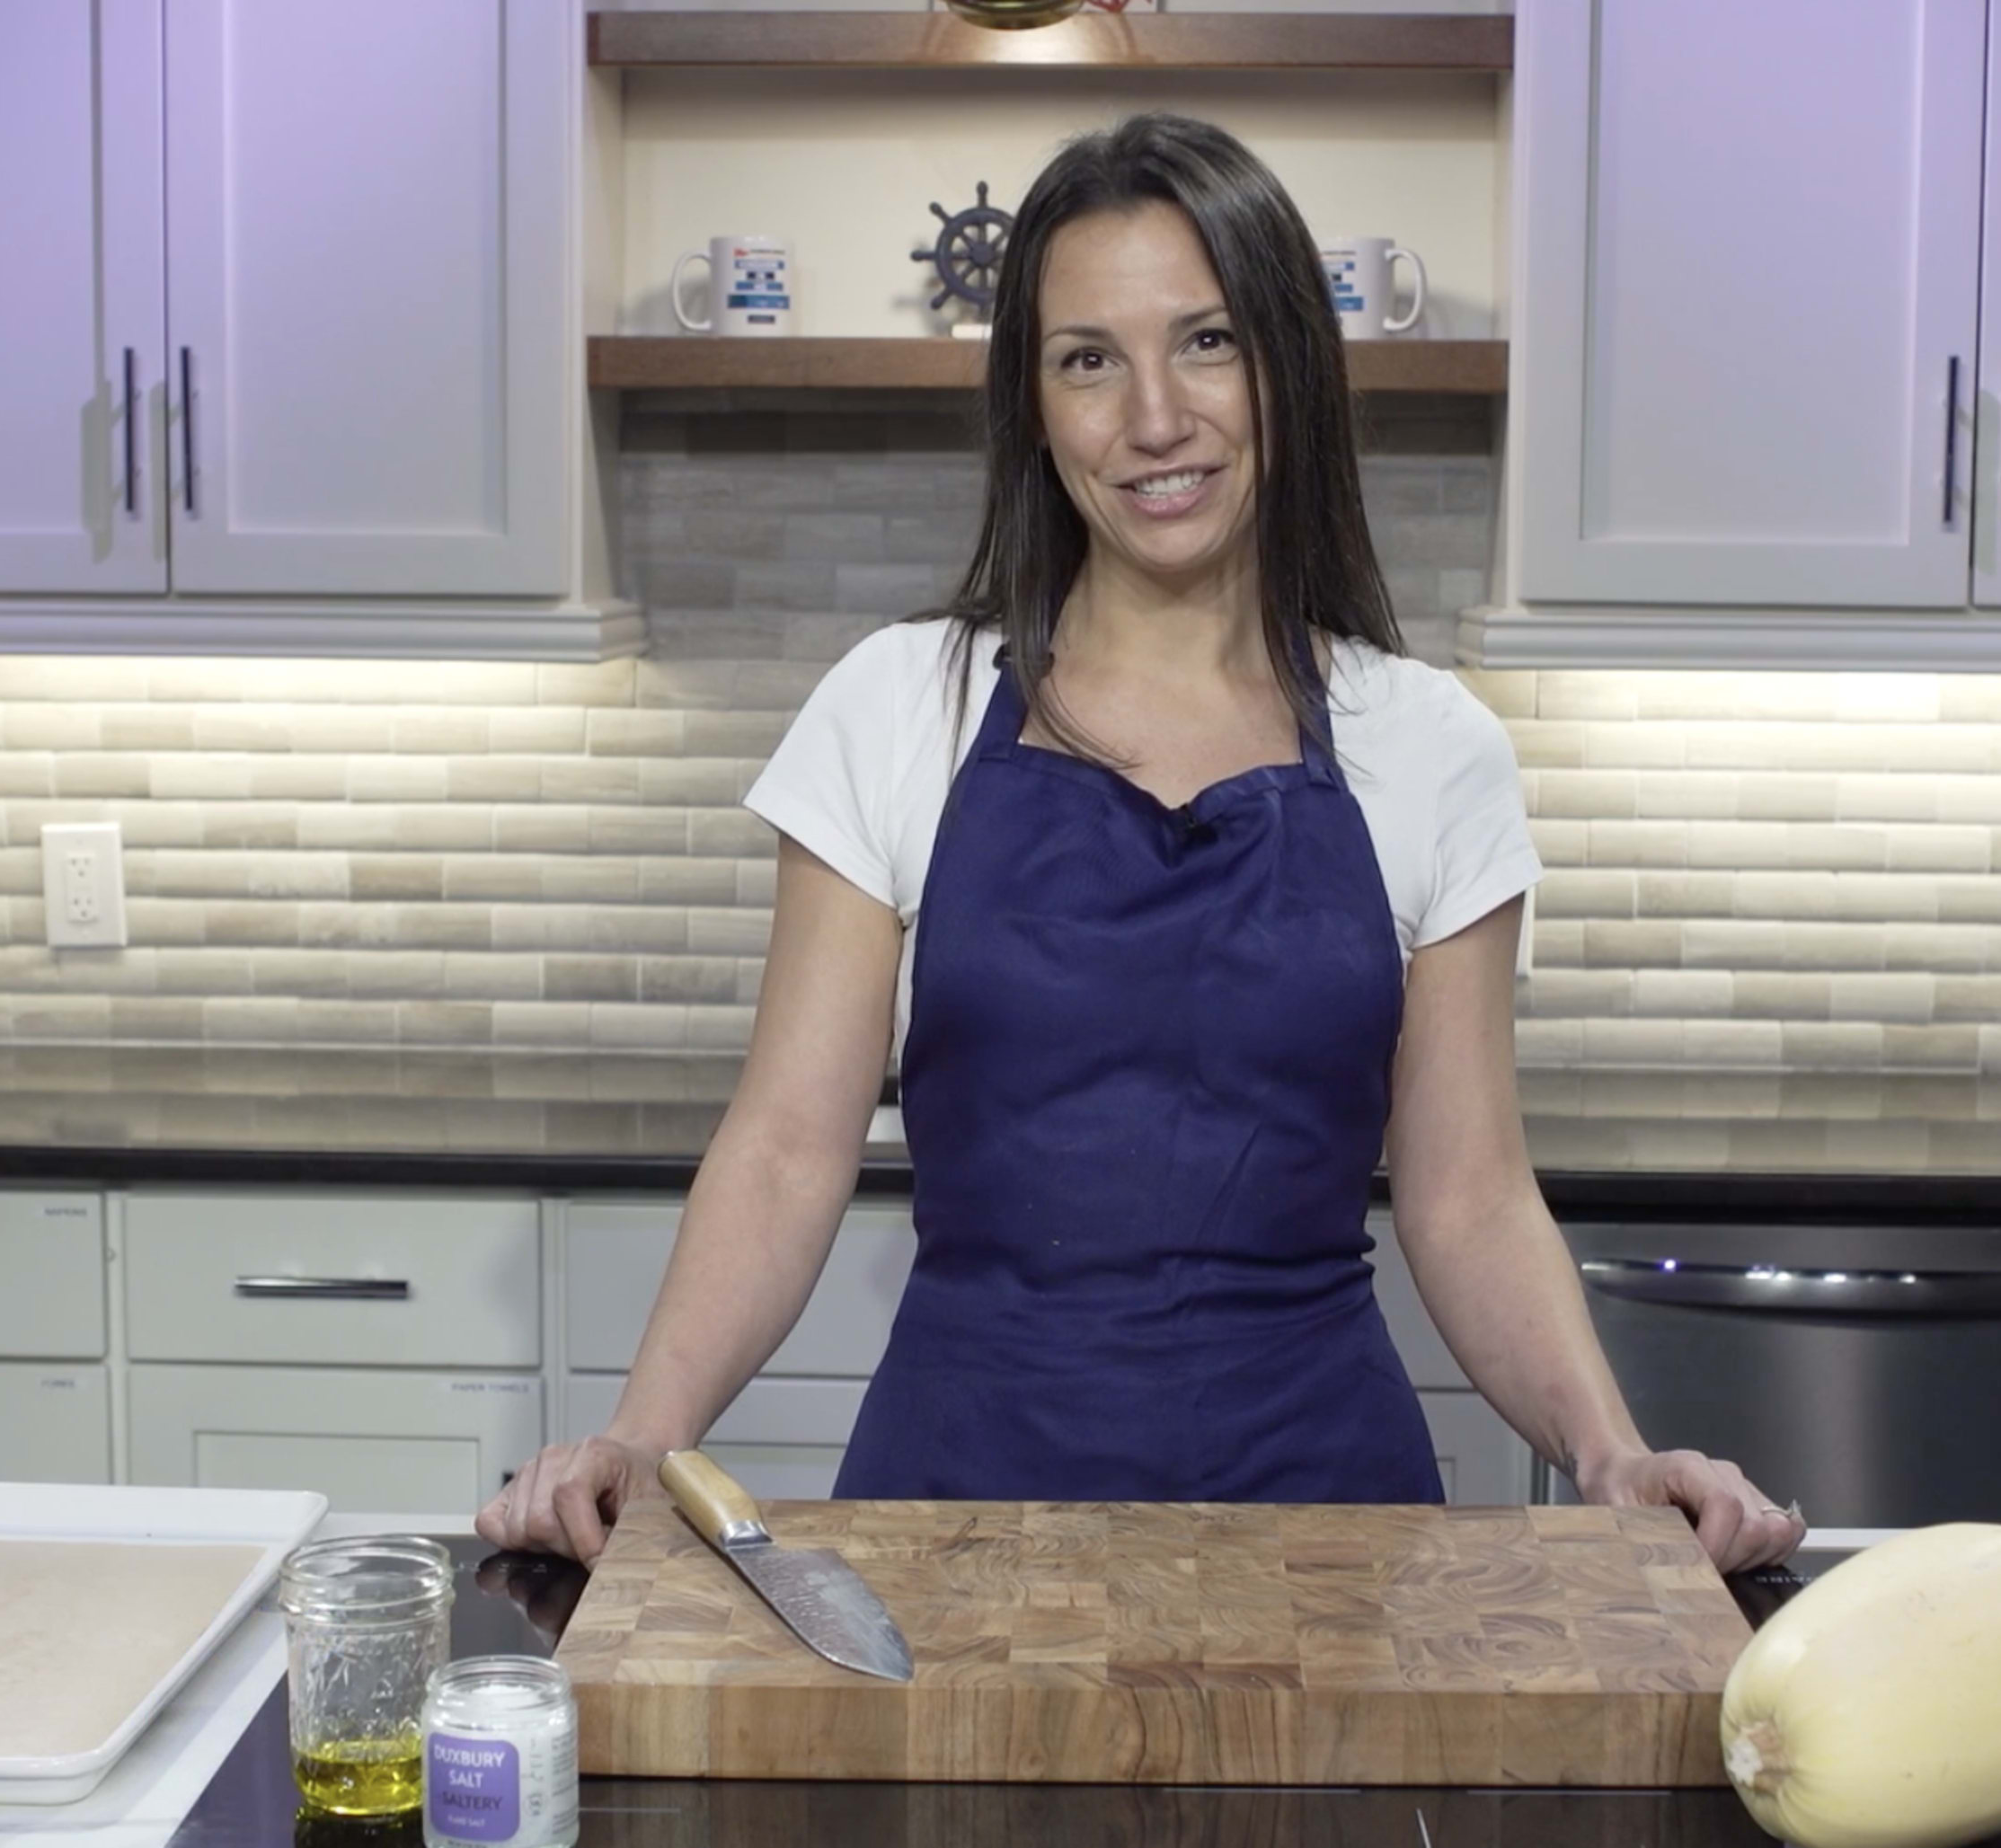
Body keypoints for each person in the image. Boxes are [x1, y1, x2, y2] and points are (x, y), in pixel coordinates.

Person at [480, 113, 1805, 1571]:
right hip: (955, 1512)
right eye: (1088, 358)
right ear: (1035, 408)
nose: (1154, 416)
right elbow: (790, 1147)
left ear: (1287, 366)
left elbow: (1467, 1189)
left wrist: (1610, 1452)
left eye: (1209, 341)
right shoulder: (897, 707)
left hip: (1334, 1530)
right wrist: (639, 1433)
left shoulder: (1432, 747)